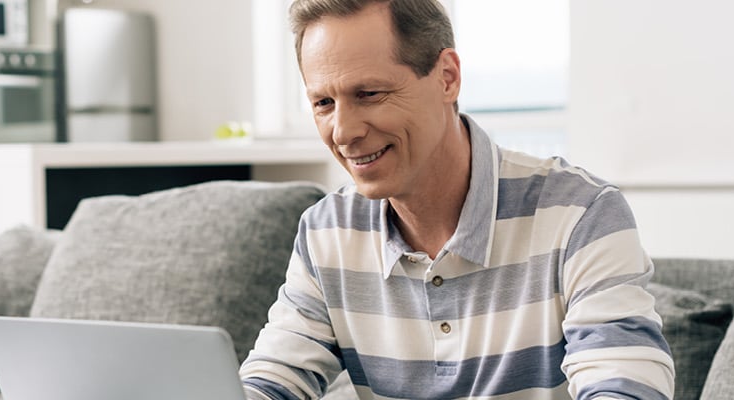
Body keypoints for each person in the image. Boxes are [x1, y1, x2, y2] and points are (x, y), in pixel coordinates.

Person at [238, 1, 675, 399]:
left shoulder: (581, 215)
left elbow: (627, 387)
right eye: (323, 102)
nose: (343, 131)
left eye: (368, 94)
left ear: (447, 77)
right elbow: (270, 383)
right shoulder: (326, 232)